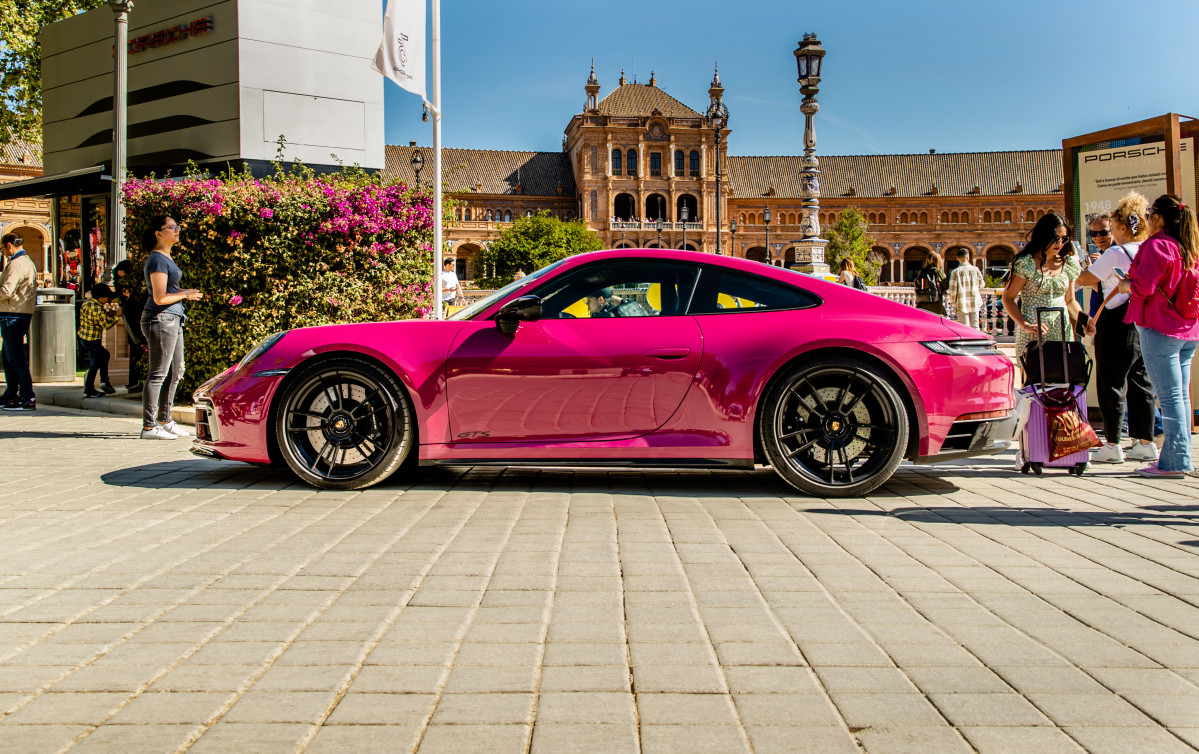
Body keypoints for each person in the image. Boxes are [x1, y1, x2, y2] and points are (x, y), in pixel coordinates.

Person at [1117, 194, 1198, 478]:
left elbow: (1144, 287)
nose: (1148, 219)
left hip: (1158, 326)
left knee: (1169, 397)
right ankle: (1181, 456)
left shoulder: (1158, 245)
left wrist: (1126, 284)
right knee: (1181, 398)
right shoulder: (1188, 246)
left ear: (1159, 218)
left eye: (1150, 214)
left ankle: (1174, 463)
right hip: (1187, 329)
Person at [1076, 196, 1157, 464]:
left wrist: (1083, 264)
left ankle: (1112, 444)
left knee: (1111, 382)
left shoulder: (1116, 253)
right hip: (1141, 319)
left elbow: (1084, 279)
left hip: (1115, 322)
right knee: (1140, 381)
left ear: (1120, 226)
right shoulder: (1147, 249)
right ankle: (1145, 442)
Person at [140, 216, 202, 440]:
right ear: (158, 233)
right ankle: (149, 427)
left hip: (173, 318)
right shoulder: (157, 259)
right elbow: (159, 297)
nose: (177, 230)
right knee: (158, 373)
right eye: (172, 227)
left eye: (178, 227)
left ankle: (165, 420)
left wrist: (184, 294)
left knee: (176, 372)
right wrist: (186, 294)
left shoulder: (166, 257)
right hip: (160, 319)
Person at [1001, 212, 1083, 360]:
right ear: (1043, 236)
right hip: (1033, 332)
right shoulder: (1026, 263)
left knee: (1063, 377)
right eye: (1054, 239)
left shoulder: (1068, 263)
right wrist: (1025, 325)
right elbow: (1008, 298)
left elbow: (1070, 301)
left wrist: (1084, 320)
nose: (1059, 243)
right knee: (1033, 379)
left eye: (1064, 239)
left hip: (1062, 331)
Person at [0, 233, 37, 411]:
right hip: (19, 312)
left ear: (9, 245)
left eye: (2, 249)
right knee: (8, 356)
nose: (3, 253)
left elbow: (7, 290)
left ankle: (26, 396)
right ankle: (11, 394)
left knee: (14, 357)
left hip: (12, 313)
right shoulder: (27, 261)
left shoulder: (15, 263)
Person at [77, 283, 121, 399]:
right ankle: (91, 388)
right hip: (93, 340)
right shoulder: (97, 309)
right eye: (107, 297)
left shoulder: (88, 303)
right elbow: (105, 324)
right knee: (95, 363)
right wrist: (116, 316)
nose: (109, 299)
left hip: (84, 338)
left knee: (103, 356)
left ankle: (103, 382)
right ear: (102, 298)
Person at [113, 259, 147, 392]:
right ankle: (134, 381)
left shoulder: (139, 289)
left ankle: (137, 380)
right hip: (130, 316)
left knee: (139, 347)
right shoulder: (125, 292)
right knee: (134, 347)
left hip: (136, 315)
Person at [946, 248, 984, 329]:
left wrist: (953, 302)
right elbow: (982, 284)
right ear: (968, 258)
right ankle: (976, 340)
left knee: (965, 327)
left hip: (961, 302)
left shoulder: (955, 272)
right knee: (975, 325)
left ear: (957, 258)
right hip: (974, 301)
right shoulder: (975, 270)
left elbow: (952, 290)